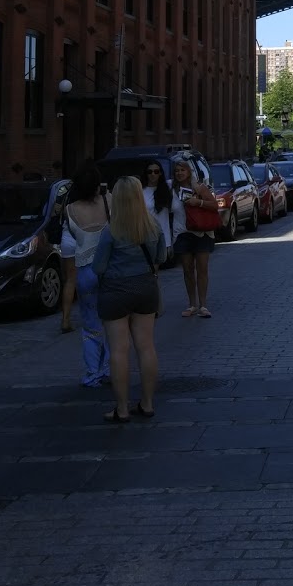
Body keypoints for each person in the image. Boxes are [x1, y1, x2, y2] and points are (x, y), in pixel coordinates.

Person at [92, 176, 165, 422]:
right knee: (146, 346)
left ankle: (121, 408)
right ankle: (147, 403)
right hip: (145, 287)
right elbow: (161, 257)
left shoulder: (110, 231)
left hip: (115, 291)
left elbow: (98, 267)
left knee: (119, 351)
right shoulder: (153, 227)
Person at [62, 161, 111, 387]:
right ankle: (111, 368)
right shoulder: (108, 202)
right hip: (109, 270)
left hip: (85, 270)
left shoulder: (70, 210)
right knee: (113, 322)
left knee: (91, 325)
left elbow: (73, 236)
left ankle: (93, 372)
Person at [171, 157, 219, 318]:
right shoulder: (172, 189)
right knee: (187, 270)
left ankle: (203, 306)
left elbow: (214, 205)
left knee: (202, 269)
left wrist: (197, 202)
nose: (179, 173)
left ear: (188, 171)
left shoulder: (199, 188)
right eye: (177, 170)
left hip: (201, 233)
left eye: (182, 170)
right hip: (182, 234)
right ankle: (192, 304)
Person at [142, 160, 180, 264]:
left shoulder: (167, 188)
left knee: (157, 272)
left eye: (156, 171)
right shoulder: (141, 191)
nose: (153, 174)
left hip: (163, 238)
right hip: (146, 237)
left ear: (160, 173)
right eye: (149, 172)